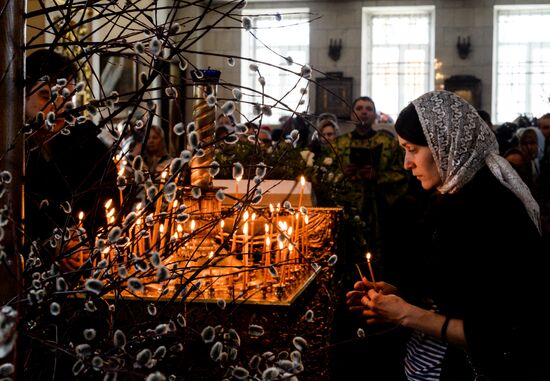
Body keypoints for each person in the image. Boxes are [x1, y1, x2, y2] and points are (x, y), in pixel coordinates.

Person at [347, 90, 549, 380]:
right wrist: (401, 297)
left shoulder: (489, 208)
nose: (407, 163)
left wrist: (406, 313)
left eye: (413, 149)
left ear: (445, 145)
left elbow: (496, 333)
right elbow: (462, 288)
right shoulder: (458, 194)